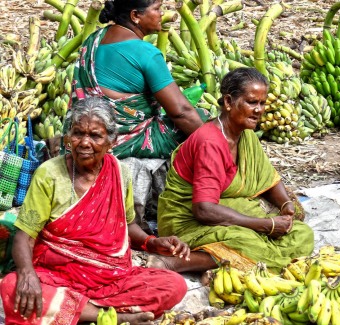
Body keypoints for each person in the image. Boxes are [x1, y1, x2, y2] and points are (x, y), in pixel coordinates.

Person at [0, 98, 191, 324]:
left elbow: (128, 226)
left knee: (174, 285)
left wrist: (152, 242)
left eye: (95, 136)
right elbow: (24, 236)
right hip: (57, 274)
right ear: (69, 138)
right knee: (12, 287)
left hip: (111, 279)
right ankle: (111, 316)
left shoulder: (120, 173)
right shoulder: (49, 174)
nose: (84, 143)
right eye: (78, 133)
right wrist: (27, 273)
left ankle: (71, 311)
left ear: (111, 141)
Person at [156, 68, 314, 273]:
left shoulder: (245, 135)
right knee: (248, 243)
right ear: (229, 102)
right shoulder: (210, 143)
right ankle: (179, 262)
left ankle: (250, 255)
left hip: (227, 207)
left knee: (302, 234)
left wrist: (286, 204)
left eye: (262, 103)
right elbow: (203, 210)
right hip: (188, 220)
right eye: (251, 102)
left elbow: (267, 178)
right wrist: (265, 225)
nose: (259, 110)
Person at [72, 0, 210, 230]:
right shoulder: (146, 53)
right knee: (201, 117)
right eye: (157, 8)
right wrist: (216, 145)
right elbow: (181, 112)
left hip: (88, 129)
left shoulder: (94, 40)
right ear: (136, 15)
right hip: (123, 137)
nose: (162, 14)